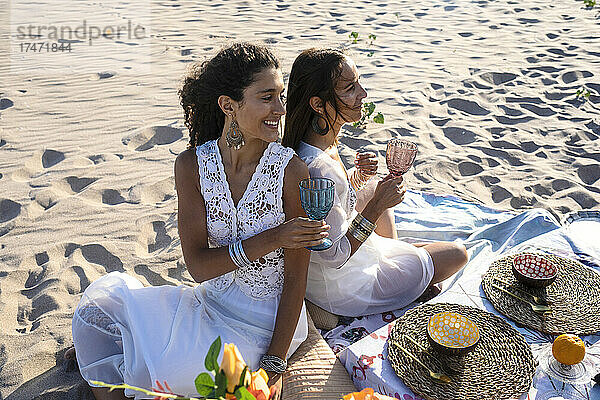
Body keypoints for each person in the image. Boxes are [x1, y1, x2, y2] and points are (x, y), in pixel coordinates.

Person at [70, 43, 329, 400]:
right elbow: (199, 267)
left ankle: (127, 357)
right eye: (267, 97)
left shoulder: (291, 172)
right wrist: (274, 237)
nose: (280, 110)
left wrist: (275, 362)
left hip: (264, 324)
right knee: (98, 311)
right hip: (207, 303)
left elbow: (295, 280)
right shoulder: (192, 165)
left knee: (179, 374)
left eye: (281, 96)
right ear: (228, 106)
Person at [282, 48, 468, 317]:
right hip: (342, 288)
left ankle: (399, 260)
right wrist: (377, 206)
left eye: (358, 83)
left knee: (373, 186)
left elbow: (335, 203)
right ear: (318, 104)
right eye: (350, 88)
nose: (363, 94)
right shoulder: (318, 168)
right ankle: (402, 277)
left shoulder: (312, 145)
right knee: (457, 254)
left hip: (328, 274)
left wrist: (357, 179)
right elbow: (333, 255)